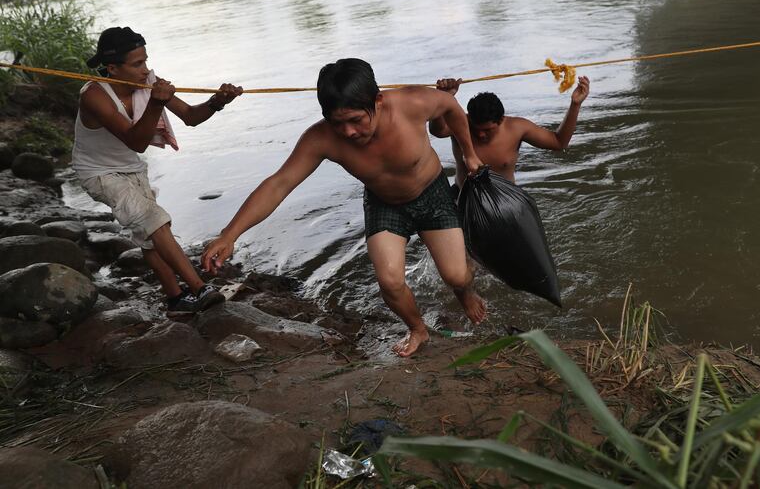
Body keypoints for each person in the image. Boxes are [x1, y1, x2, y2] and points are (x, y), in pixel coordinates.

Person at [202, 58, 487, 357]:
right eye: (338, 123)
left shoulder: (412, 103)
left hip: (432, 193)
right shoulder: (321, 138)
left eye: (356, 120)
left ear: (377, 101)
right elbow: (279, 183)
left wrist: (468, 154)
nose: (349, 132)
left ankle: (465, 293)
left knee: (457, 275)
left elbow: (451, 108)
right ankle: (418, 329)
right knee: (390, 281)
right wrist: (229, 235)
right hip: (384, 203)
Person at [74, 26, 243, 314]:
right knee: (154, 220)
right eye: (137, 64)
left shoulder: (148, 83)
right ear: (113, 68)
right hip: (98, 172)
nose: (145, 70)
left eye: (146, 61)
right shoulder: (94, 95)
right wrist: (156, 102)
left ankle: (176, 299)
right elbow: (137, 141)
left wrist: (217, 102)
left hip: (132, 169)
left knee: (151, 236)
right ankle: (200, 289)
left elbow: (191, 117)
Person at [429, 76, 590, 187]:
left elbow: (559, 142)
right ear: (469, 118)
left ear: (501, 120)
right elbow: (438, 130)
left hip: (506, 199)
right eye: (476, 129)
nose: (480, 135)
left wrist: (575, 105)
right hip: (465, 197)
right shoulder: (461, 123)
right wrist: (442, 98)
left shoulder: (517, 128)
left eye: (487, 130)